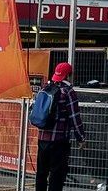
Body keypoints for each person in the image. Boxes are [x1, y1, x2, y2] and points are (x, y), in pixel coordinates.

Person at [36, 62, 86, 191]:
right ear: (69, 75)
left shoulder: (44, 88)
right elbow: (75, 117)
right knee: (56, 176)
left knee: (41, 174)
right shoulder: (68, 92)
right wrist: (80, 138)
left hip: (42, 138)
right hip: (59, 140)